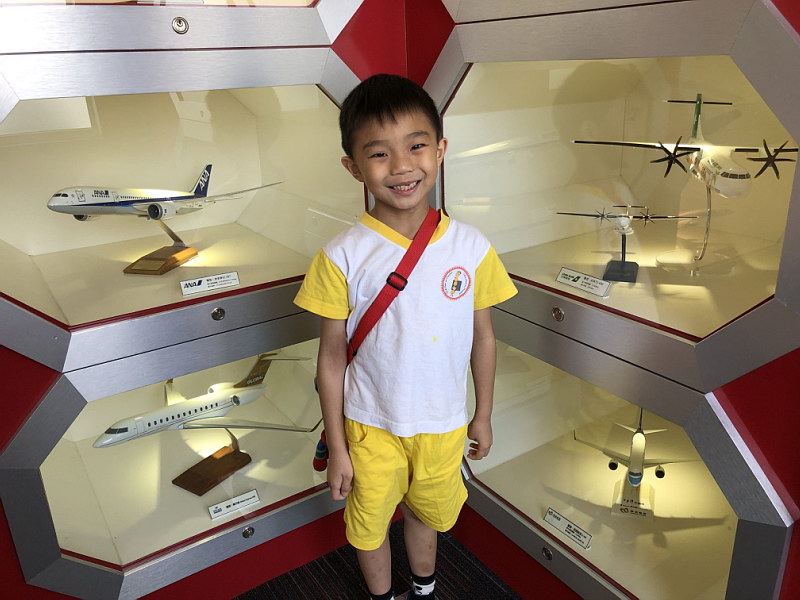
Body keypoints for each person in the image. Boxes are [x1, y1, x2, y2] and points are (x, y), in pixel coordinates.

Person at [294, 73, 517, 600]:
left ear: (440, 151)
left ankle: (423, 588)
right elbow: (331, 360)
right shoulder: (340, 255)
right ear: (353, 167)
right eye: (379, 153)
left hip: (443, 426)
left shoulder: (471, 247)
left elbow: (483, 338)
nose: (400, 166)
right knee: (369, 527)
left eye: (416, 146)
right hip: (370, 427)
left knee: (427, 516)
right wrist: (339, 446)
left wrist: (483, 413)